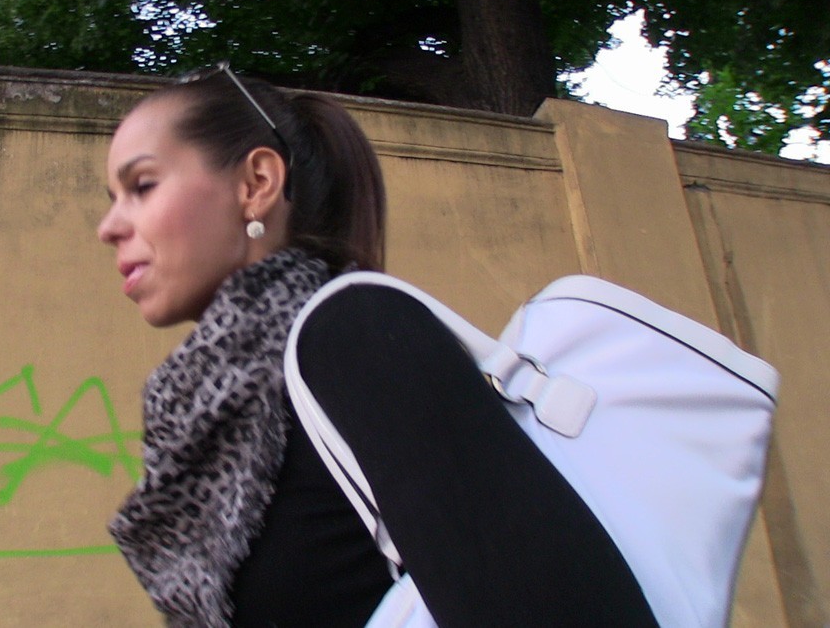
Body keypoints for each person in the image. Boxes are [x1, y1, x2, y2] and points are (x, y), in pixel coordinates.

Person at [97, 63, 657, 627]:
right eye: (113, 197)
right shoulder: (204, 408)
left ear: (256, 184)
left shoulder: (352, 335)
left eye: (142, 186)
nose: (109, 227)